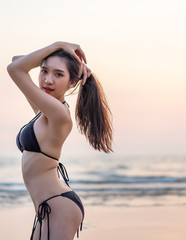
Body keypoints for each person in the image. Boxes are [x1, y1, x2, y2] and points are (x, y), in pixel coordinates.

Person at [7, 41, 113, 240]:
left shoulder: (58, 114)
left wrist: (59, 45)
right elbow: (17, 61)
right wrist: (65, 56)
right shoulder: (43, 111)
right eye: (44, 71)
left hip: (58, 206)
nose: (47, 80)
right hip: (48, 207)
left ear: (72, 82)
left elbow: (15, 69)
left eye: (58, 74)